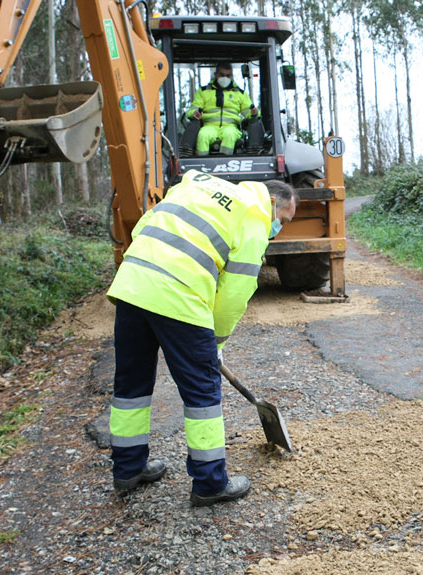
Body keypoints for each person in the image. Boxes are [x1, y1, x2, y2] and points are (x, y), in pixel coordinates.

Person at [105, 170, 297, 506]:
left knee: (130, 386)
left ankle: (128, 469)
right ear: (270, 202)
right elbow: (235, 294)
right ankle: (210, 483)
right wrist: (216, 344)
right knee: (202, 393)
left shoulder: (198, 185)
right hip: (179, 293)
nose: (277, 229)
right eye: (281, 219)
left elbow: (144, 227)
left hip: (132, 283)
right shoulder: (253, 214)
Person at [188, 63, 260, 156]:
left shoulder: (239, 93)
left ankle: (225, 162)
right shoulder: (204, 91)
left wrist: (254, 113)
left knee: (229, 134)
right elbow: (193, 109)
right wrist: (194, 113)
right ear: (216, 74)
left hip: (231, 127)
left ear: (231, 76)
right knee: (203, 135)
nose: (225, 78)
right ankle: (200, 164)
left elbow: (249, 111)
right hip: (209, 126)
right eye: (222, 75)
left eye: (228, 75)